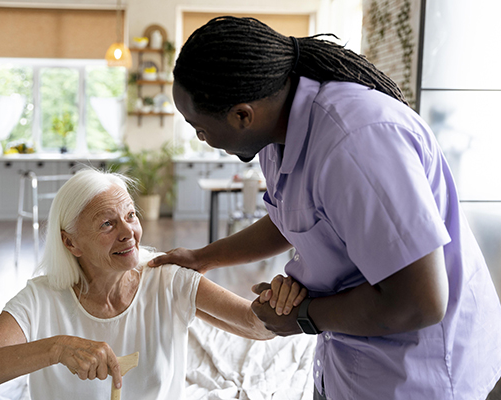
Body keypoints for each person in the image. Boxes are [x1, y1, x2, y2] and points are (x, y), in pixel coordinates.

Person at [148, 16, 501, 400]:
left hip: (417, 373)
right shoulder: (273, 137)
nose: (202, 139)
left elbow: (420, 302)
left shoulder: (357, 144)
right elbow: (291, 218)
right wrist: (202, 258)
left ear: (242, 115)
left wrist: (302, 317)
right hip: (348, 359)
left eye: (199, 128)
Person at [0, 168, 274, 399]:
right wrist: (56, 349)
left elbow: (256, 325)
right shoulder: (40, 299)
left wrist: (282, 299)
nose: (128, 232)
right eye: (107, 224)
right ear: (70, 243)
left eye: (130, 215)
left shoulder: (167, 278)